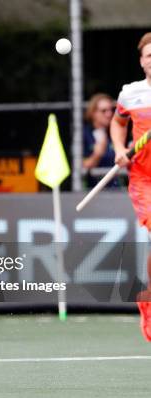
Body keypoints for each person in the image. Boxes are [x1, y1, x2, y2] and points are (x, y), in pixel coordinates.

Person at [111, 32, 151, 342]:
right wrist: (119, 148)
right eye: (149, 56)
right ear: (142, 61)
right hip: (143, 179)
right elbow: (117, 123)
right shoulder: (130, 94)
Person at [83, 93, 117, 188]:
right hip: (92, 190)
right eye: (104, 111)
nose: (109, 114)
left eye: (111, 110)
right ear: (93, 113)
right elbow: (80, 168)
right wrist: (97, 154)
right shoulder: (84, 134)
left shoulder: (116, 132)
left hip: (116, 189)